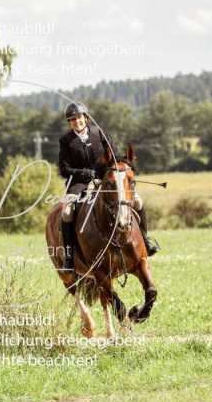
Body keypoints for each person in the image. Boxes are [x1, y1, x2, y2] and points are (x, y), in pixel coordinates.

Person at [57, 102, 159, 273]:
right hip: (79, 183)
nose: (76, 121)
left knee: (138, 202)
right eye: (72, 119)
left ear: (86, 118)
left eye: (79, 118)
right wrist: (84, 173)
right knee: (67, 212)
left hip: (106, 180)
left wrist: (126, 162)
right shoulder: (66, 141)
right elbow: (64, 169)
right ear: (70, 122)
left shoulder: (99, 133)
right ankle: (69, 256)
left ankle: (146, 241)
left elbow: (113, 155)